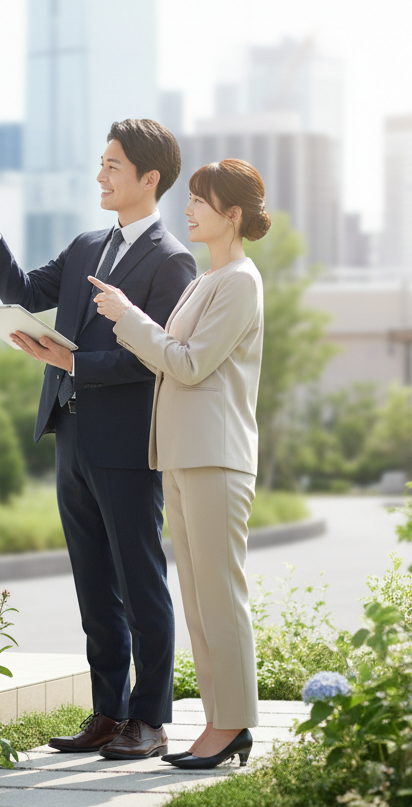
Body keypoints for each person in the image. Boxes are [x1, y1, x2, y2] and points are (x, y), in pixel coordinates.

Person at [0, 119, 196, 760]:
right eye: (101, 164)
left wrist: (71, 364)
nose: (100, 176)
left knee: (139, 579)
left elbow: (158, 358)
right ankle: (107, 712)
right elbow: (28, 293)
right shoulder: (88, 243)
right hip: (70, 433)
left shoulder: (173, 260)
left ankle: (149, 719)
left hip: (127, 442)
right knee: (93, 581)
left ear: (149, 179)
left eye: (112, 166)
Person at [89, 158, 270, 770]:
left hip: (218, 458)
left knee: (221, 596)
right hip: (186, 457)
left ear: (233, 215)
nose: (188, 209)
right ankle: (220, 724)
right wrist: (136, 326)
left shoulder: (240, 281)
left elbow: (189, 364)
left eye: (200, 201)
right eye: (190, 199)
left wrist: (129, 319)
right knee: (197, 597)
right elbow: (177, 358)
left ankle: (235, 723)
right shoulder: (203, 282)